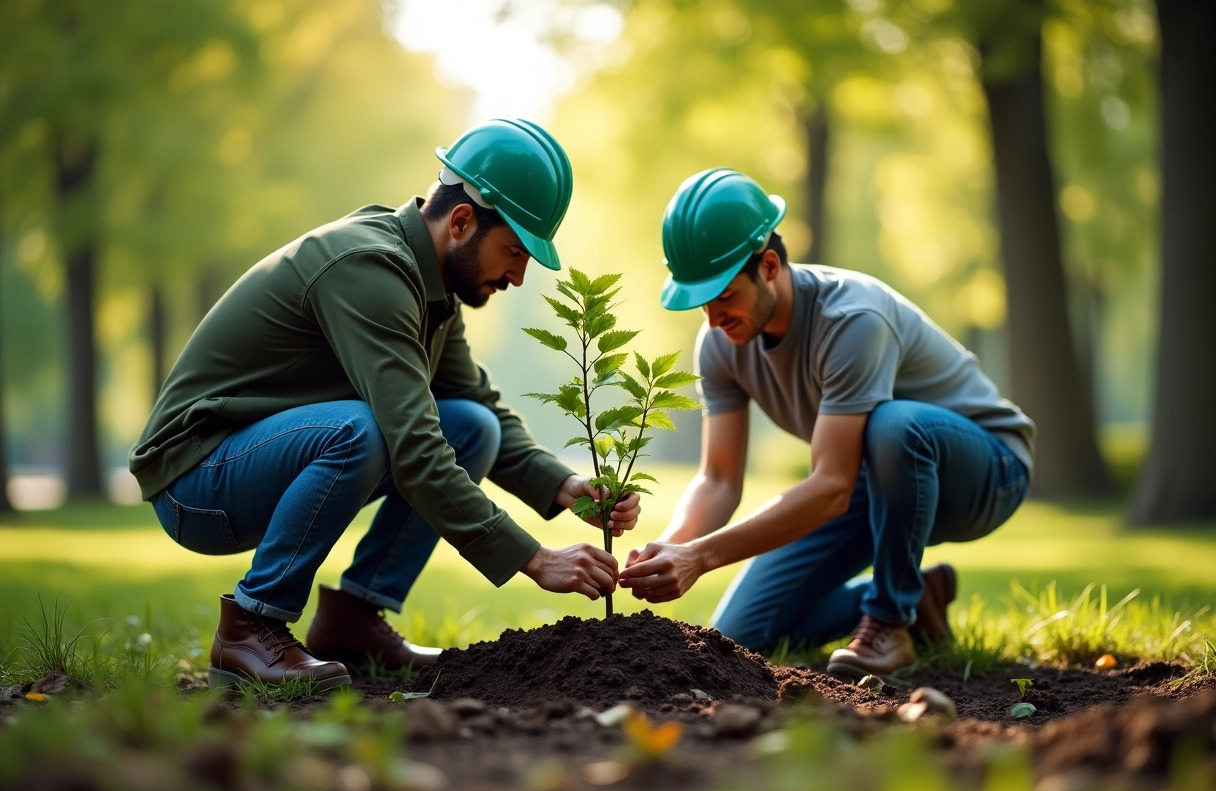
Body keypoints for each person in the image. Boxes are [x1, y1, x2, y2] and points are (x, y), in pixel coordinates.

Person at [129, 118, 636, 691]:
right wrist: (534, 558)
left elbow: (473, 402)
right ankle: (251, 624)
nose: (517, 276)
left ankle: (352, 621)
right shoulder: (369, 269)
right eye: (515, 252)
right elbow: (414, 447)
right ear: (463, 221)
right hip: (196, 479)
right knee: (363, 430)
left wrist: (565, 486)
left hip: (254, 459)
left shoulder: (430, 289)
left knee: (471, 426)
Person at [618, 168, 1034, 680]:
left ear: (768, 265)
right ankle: (914, 593)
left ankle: (888, 622)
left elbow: (832, 486)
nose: (713, 319)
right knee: (740, 635)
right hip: (872, 483)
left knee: (894, 425)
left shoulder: (853, 319)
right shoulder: (721, 345)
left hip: (984, 471)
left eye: (723, 296)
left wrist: (702, 558)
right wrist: (675, 546)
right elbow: (719, 479)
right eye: (700, 302)